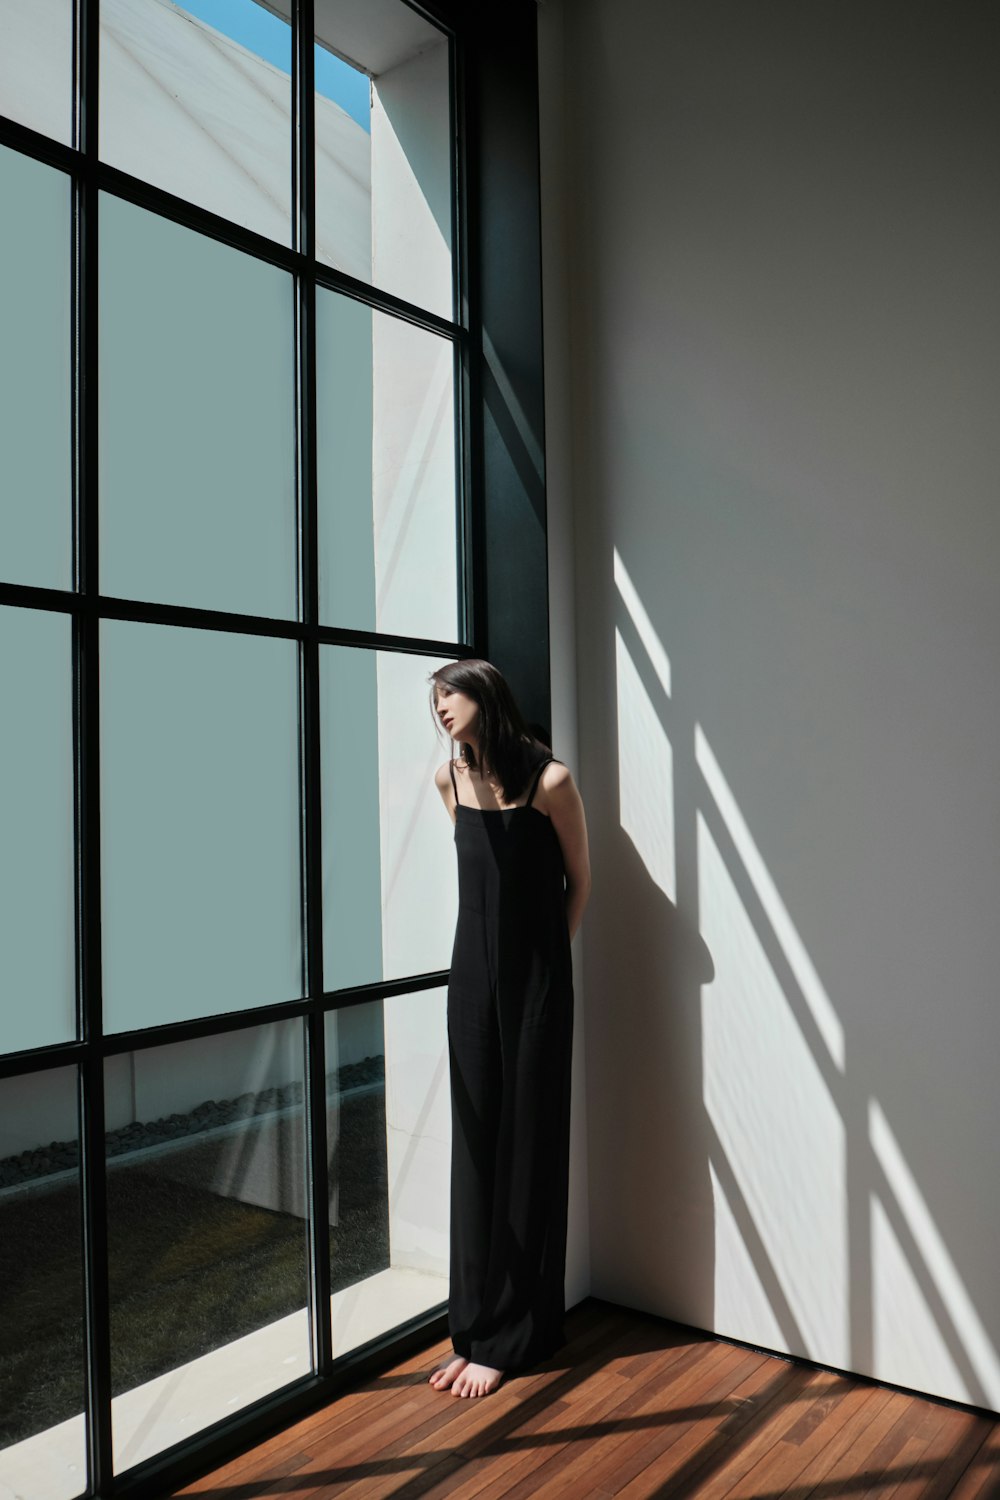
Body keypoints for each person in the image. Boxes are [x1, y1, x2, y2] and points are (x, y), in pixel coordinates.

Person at [425, 658, 591, 1399]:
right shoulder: (448, 781)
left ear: (485, 697)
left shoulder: (550, 781)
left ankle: (516, 1335)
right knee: (476, 1151)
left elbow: (580, 881)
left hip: (535, 990)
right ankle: (474, 1326)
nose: (439, 709)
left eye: (448, 695)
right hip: (469, 987)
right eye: (432, 700)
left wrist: (549, 969)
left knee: (527, 1150)